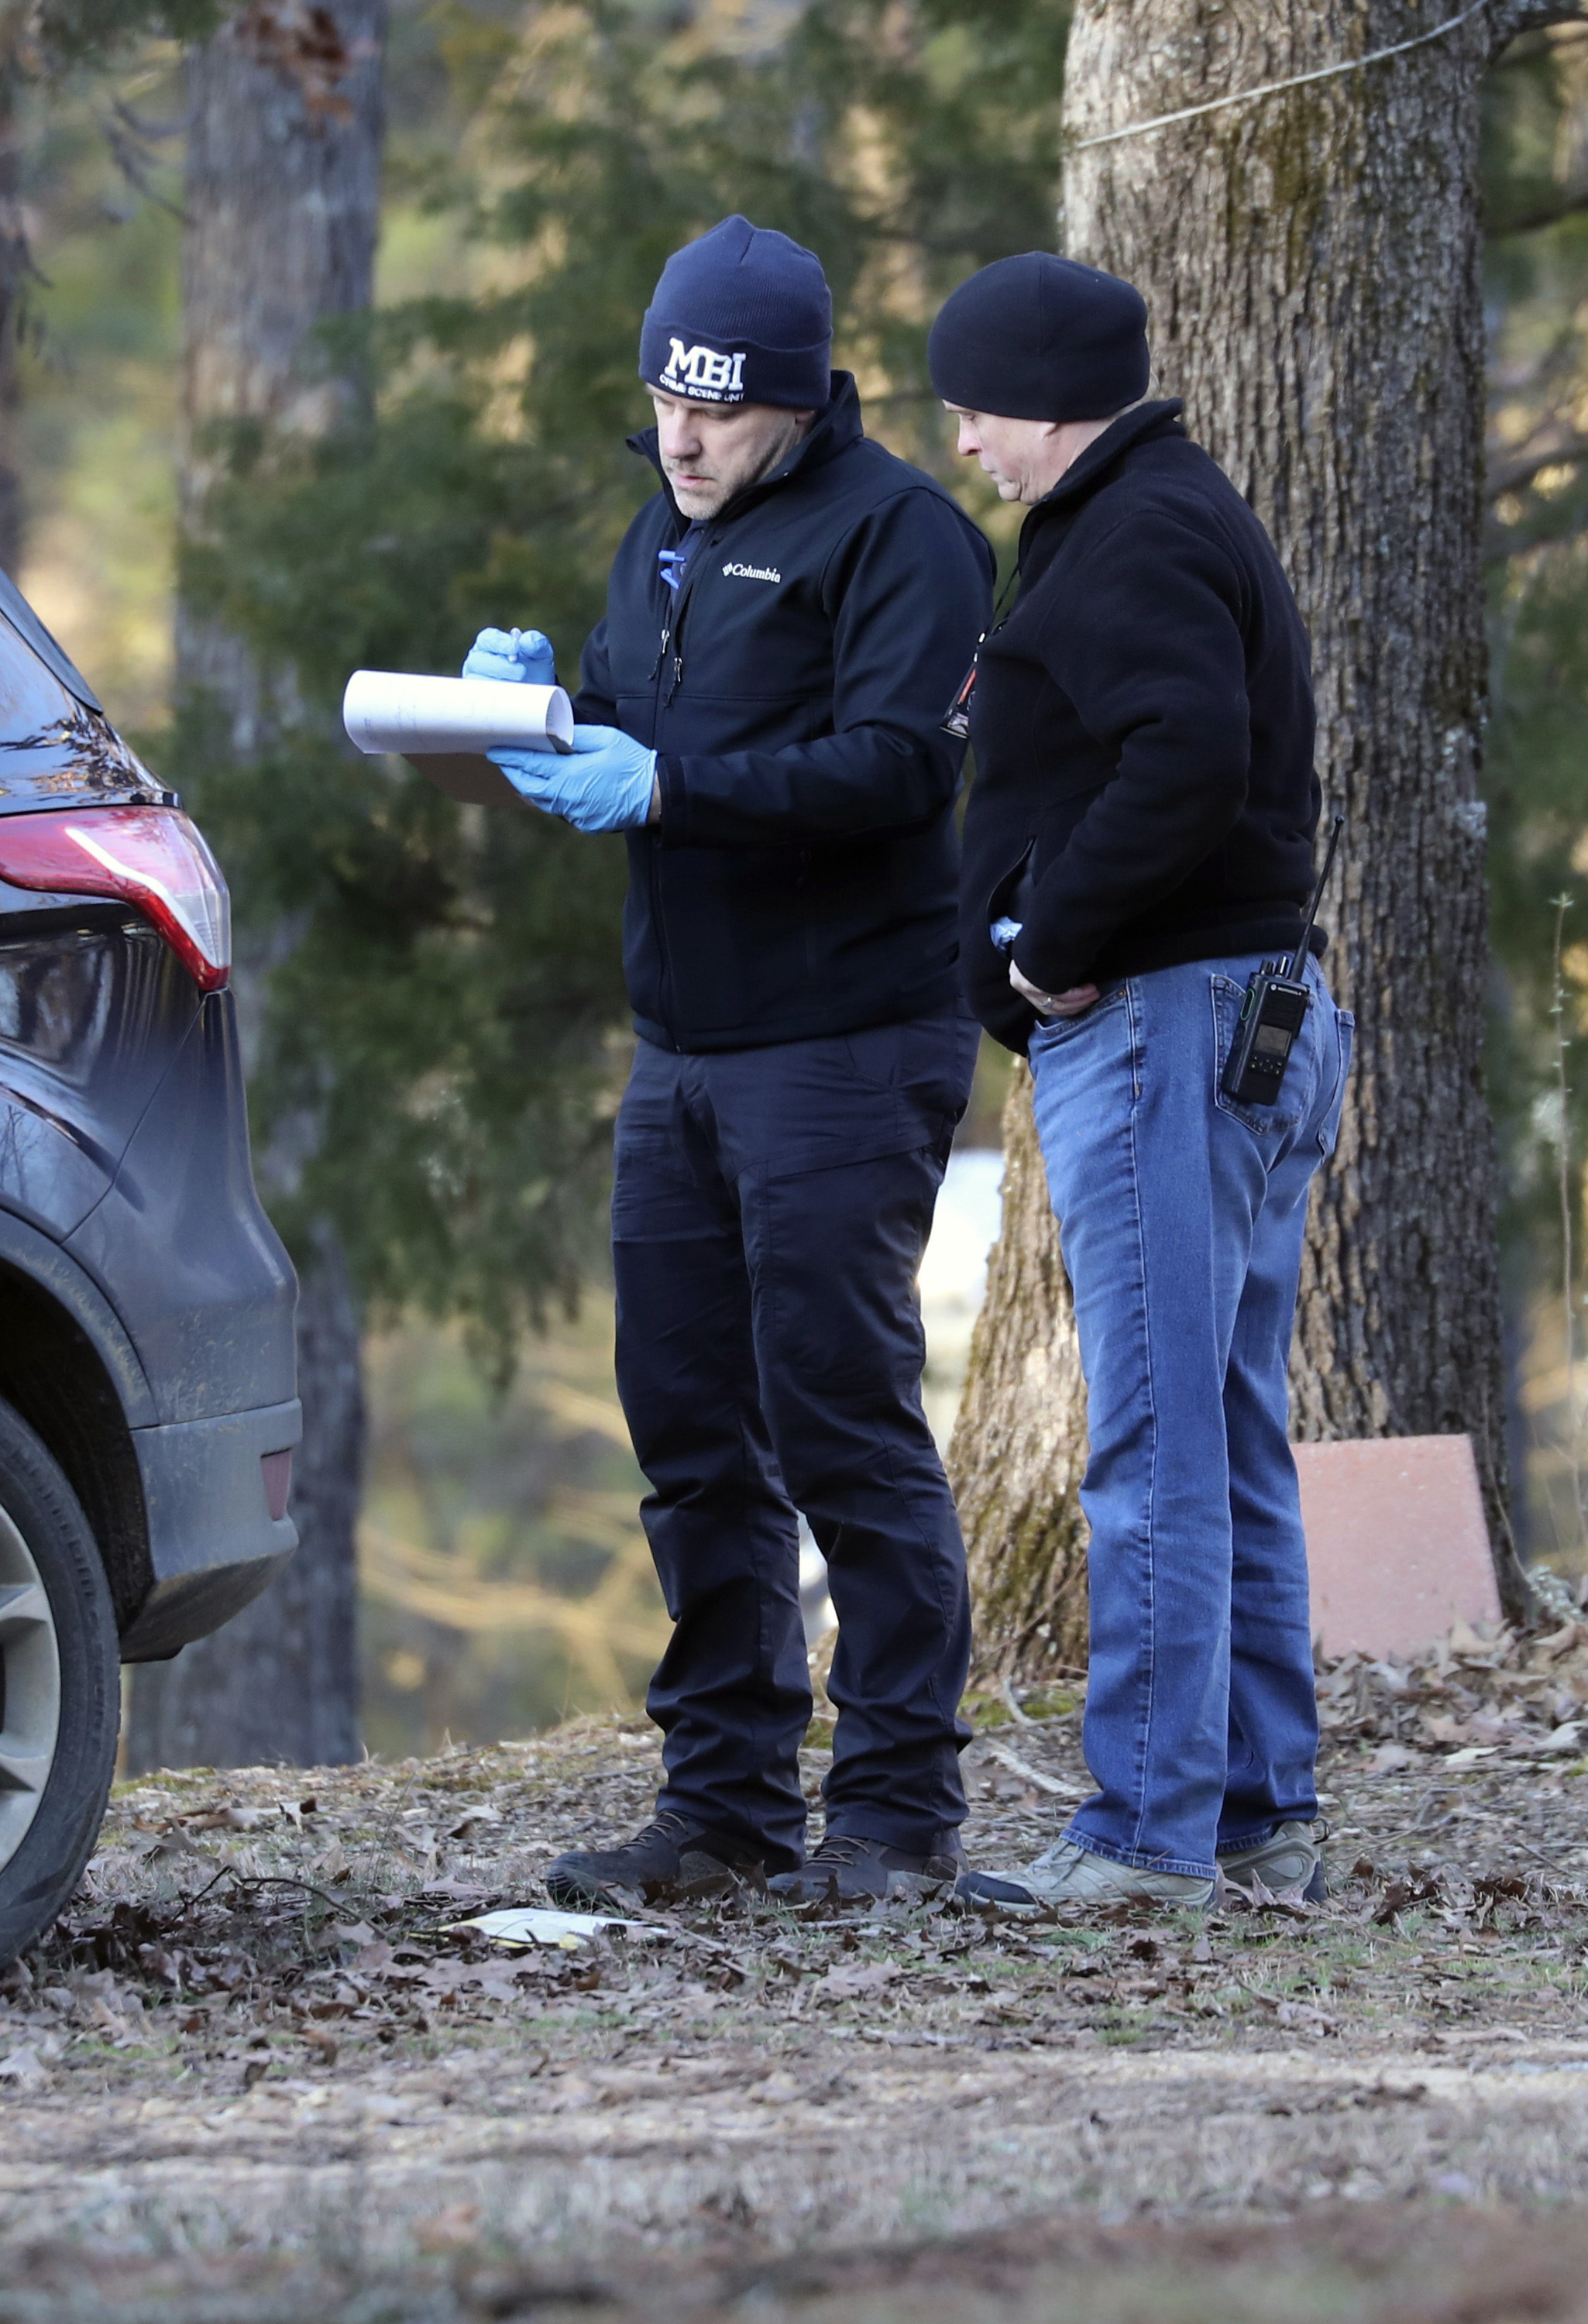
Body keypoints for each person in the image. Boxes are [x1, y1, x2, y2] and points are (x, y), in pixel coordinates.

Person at [473, 215, 999, 1909]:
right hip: (683, 1049)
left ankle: (899, 1816)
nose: (681, 439)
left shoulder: (900, 533)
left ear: (797, 399)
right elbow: (644, 718)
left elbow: (896, 770)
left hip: (844, 1041)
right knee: (690, 1428)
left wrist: (670, 789)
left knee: (838, 1418)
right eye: (661, 403)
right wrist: (542, 721)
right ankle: (723, 1807)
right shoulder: (662, 531)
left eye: (714, 409)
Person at [923, 249, 1352, 1919]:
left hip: (1172, 1024)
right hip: (1231, 1015)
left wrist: (1048, 938)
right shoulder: (1166, 512)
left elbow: (1188, 749)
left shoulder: (1136, 529)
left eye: (973, 408)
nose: (964, 439)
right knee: (1223, 1421)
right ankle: (1252, 1802)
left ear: (1041, 399)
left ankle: (1149, 1826)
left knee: (1159, 1433)